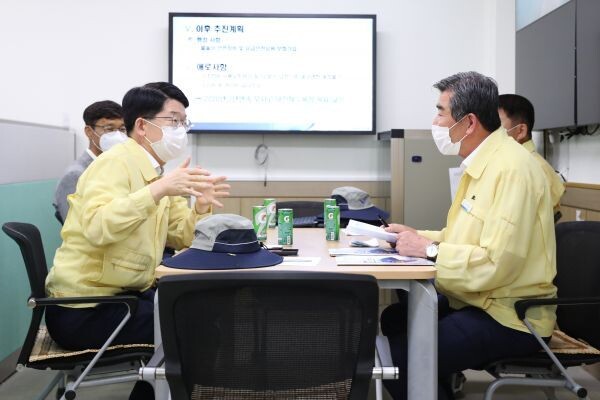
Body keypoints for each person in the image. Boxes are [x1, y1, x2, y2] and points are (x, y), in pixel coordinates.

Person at [45, 83, 230, 399]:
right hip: (85, 308)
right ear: (143, 126)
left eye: (183, 122)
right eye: (173, 120)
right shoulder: (115, 163)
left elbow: (182, 235)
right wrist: (158, 190)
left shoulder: (155, 171)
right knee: (197, 329)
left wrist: (200, 207)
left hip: (124, 298)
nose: (180, 130)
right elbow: (97, 226)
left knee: (200, 312)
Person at [380, 72, 557, 400]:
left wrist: (429, 250)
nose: (435, 122)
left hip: (510, 316)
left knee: (399, 358)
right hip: (478, 300)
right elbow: (460, 236)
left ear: (470, 122)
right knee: (395, 318)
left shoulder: (512, 170)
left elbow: (495, 262)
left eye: (441, 112)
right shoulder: (482, 164)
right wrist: (415, 235)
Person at [53, 100, 127, 223]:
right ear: (89, 132)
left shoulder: (117, 167)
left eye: (122, 129)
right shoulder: (75, 174)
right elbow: (75, 224)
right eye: (109, 129)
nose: (118, 135)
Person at [498, 93, 565, 217]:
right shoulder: (508, 162)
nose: (490, 132)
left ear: (521, 131)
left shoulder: (533, 168)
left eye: (497, 125)